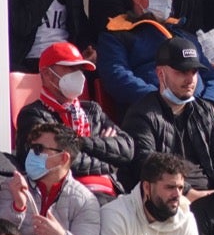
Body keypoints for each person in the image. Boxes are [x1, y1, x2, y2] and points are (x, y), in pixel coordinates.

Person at [120, 35, 214, 195]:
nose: (190, 79)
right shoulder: (142, 114)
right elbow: (148, 167)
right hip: (170, 202)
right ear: (160, 74)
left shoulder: (206, 111)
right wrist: (190, 193)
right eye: (182, 72)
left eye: (194, 72)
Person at [15, 40, 132, 190]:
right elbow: (57, 162)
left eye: (80, 69)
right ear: (47, 74)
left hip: (110, 190)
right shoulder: (34, 115)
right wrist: (110, 162)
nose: (79, 75)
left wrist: (82, 143)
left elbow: (127, 148)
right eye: (70, 69)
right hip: (67, 197)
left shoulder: (92, 110)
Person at [7, 121, 100, 235]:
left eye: (38, 149)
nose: (31, 154)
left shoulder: (85, 201)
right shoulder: (10, 186)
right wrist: (17, 209)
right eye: (30, 148)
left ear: (63, 158)